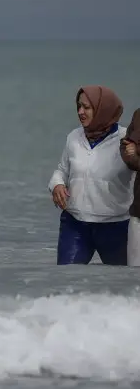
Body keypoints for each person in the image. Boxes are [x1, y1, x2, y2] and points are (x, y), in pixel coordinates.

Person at [49, 86, 132, 265]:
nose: (80, 112)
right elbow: (62, 170)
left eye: (86, 107)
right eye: (79, 106)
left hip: (116, 226)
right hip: (75, 223)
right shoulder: (74, 137)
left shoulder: (126, 139)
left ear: (103, 108)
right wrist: (57, 184)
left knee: (121, 285)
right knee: (66, 280)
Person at [119, 108, 140, 265]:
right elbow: (126, 145)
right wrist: (130, 155)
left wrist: (136, 153)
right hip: (138, 213)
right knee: (133, 276)